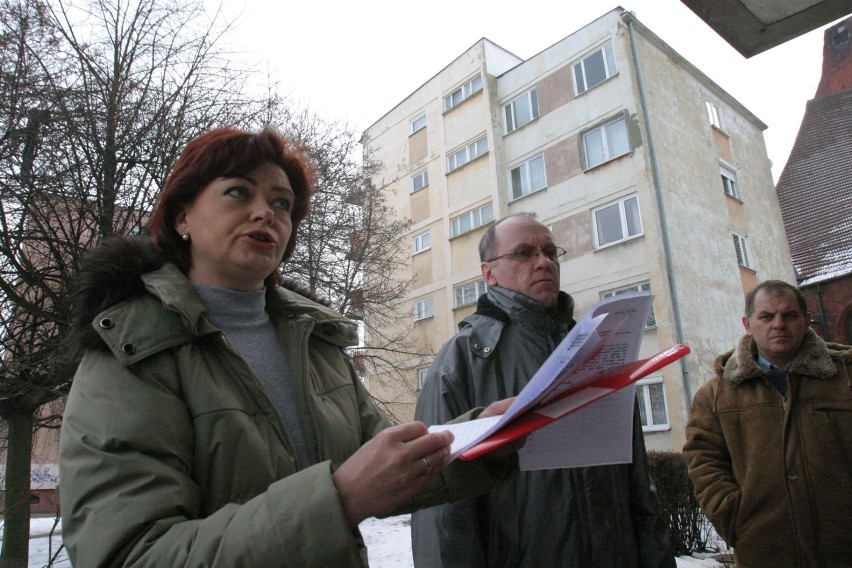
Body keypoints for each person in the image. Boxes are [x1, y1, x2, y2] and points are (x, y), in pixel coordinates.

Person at [59, 127, 516, 567]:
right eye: (239, 192)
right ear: (182, 216)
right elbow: (130, 554)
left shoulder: (314, 340)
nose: (266, 213)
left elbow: (385, 460)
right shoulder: (132, 349)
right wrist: (340, 499)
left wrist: (488, 435)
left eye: (282, 203)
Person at [411, 213, 675, 567]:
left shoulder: (596, 349)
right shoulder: (463, 359)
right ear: (489, 274)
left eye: (550, 252)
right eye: (524, 253)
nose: (544, 262)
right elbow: (443, 511)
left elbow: (637, 479)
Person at [684, 280, 852, 567]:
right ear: (748, 324)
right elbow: (704, 460)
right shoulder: (715, 395)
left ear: (806, 320)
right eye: (766, 316)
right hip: (763, 551)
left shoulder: (845, 379)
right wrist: (734, 517)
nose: (779, 324)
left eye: (789, 315)